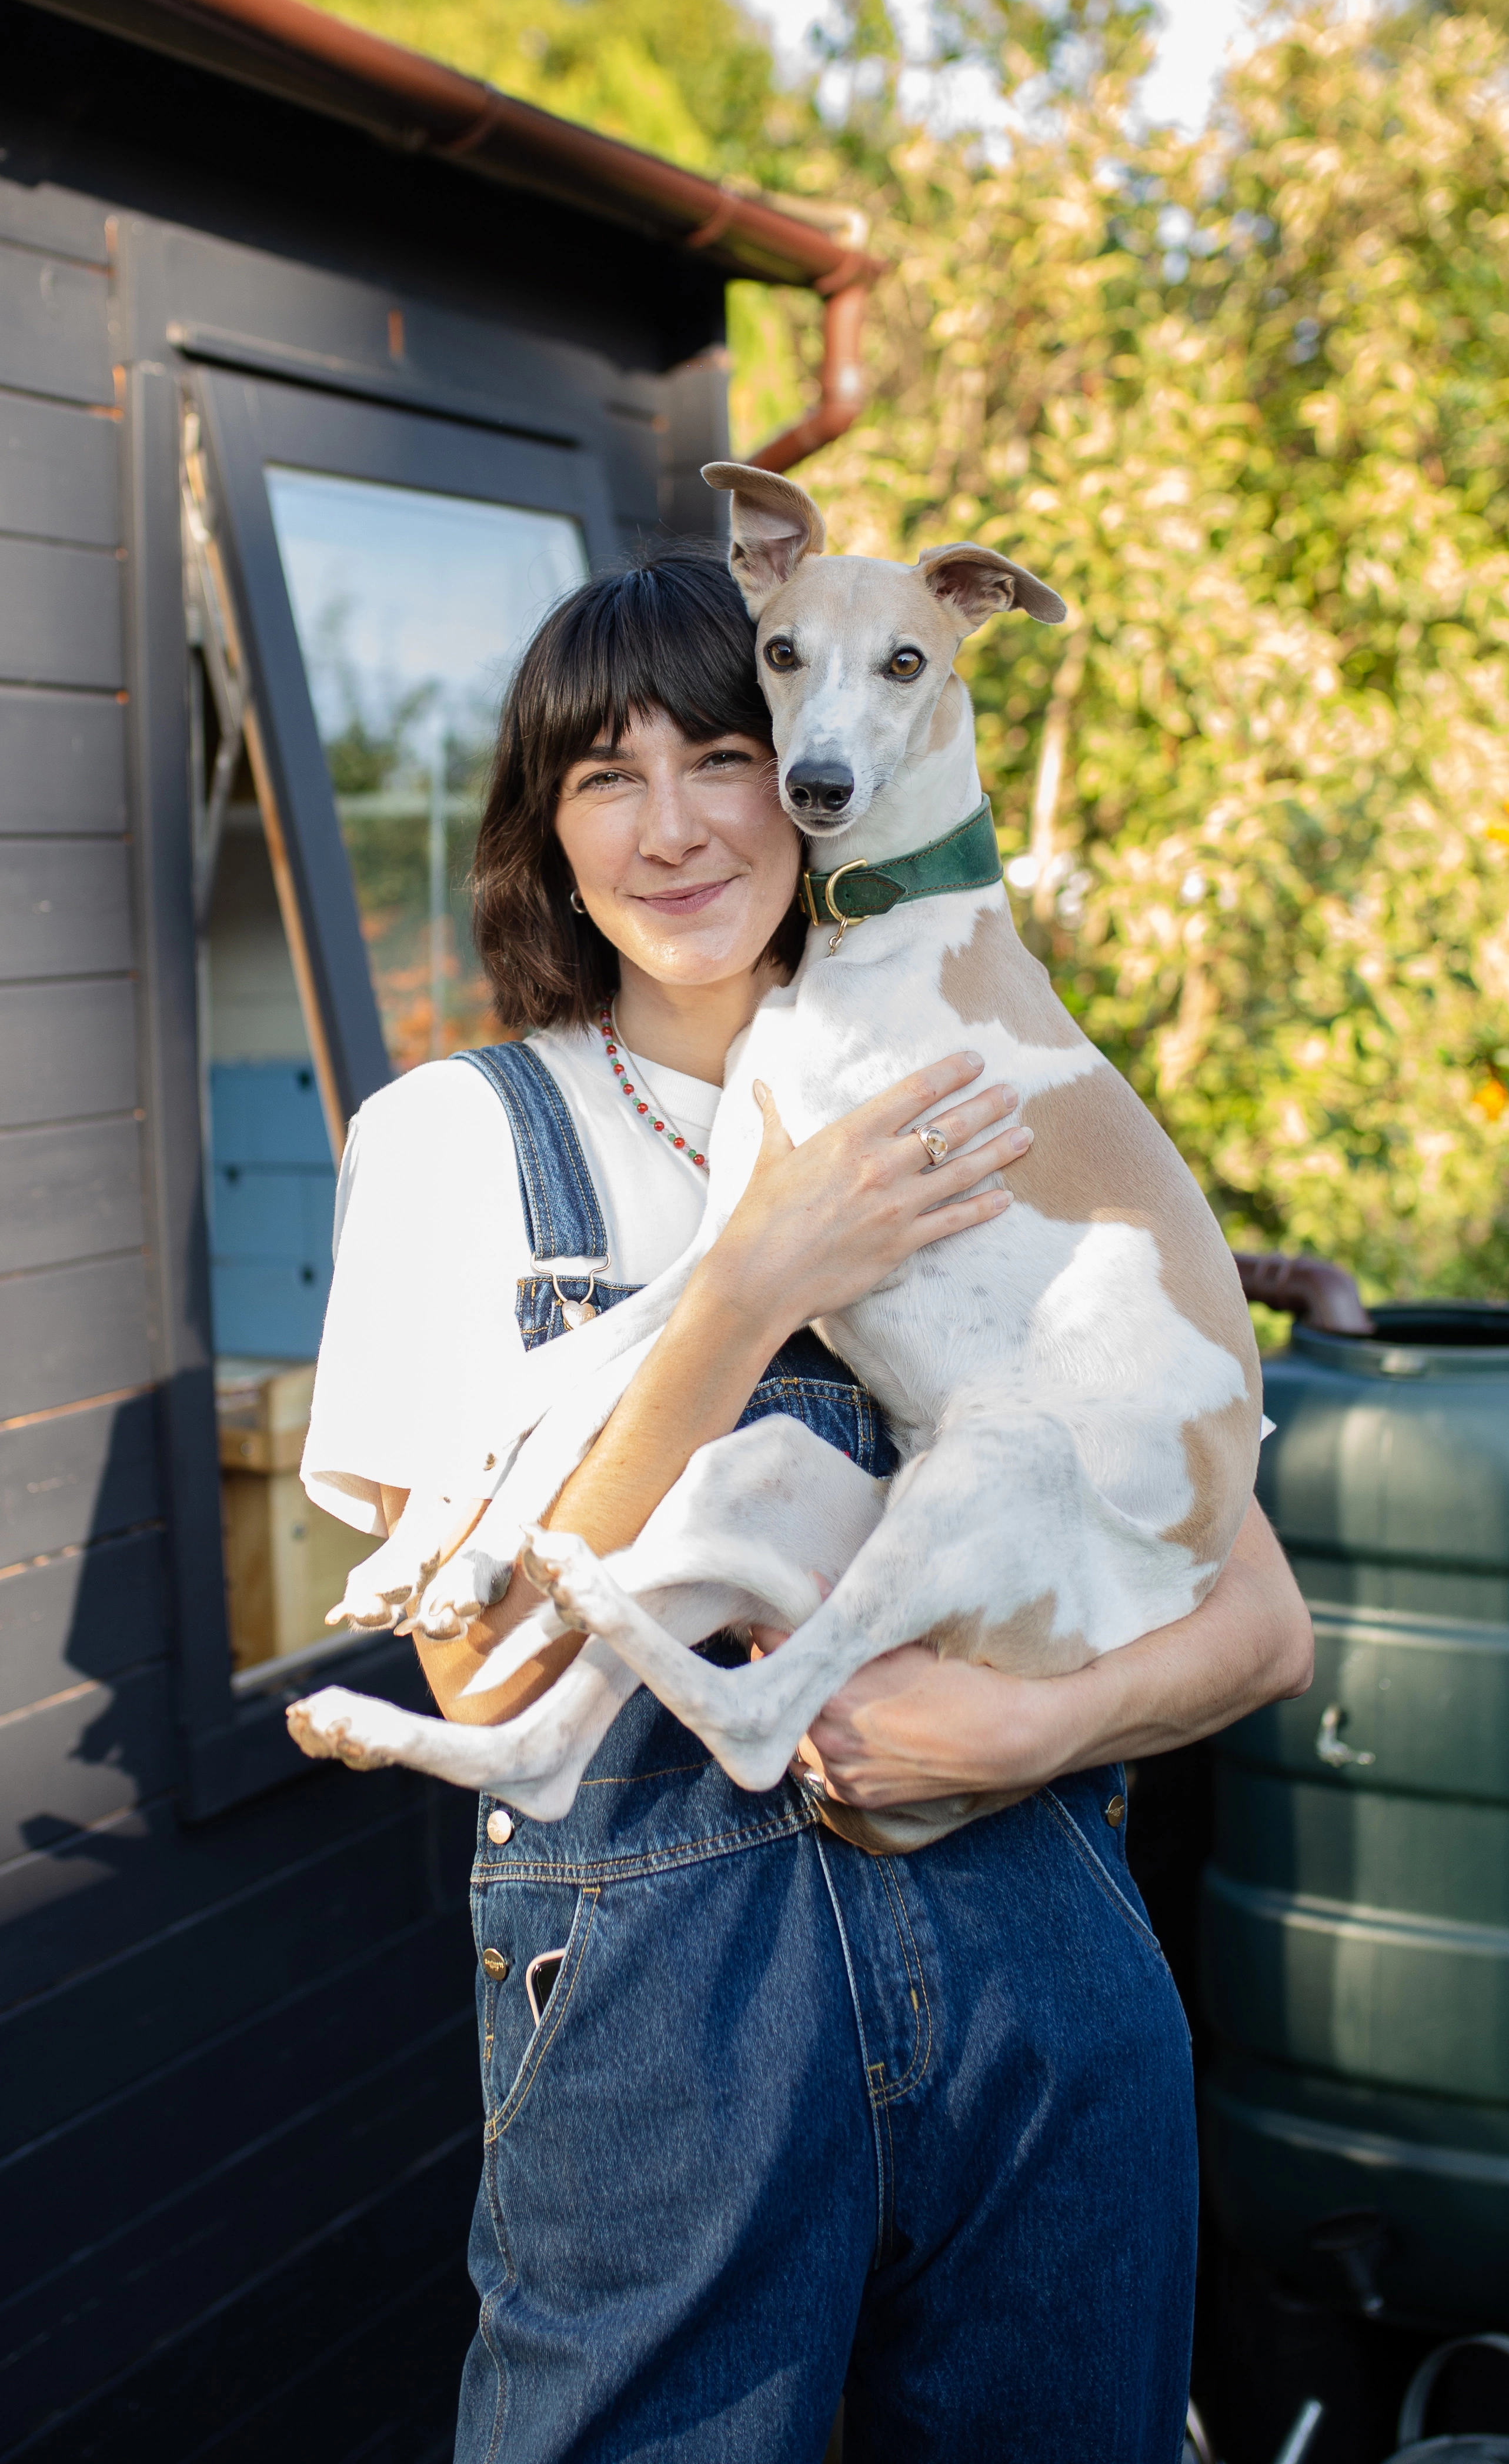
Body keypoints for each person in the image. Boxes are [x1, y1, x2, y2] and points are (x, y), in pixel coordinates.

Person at [301, 547, 1314, 2464]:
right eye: (607, 777)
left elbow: (1260, 1621)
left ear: (829, 759)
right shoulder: (457, 1144)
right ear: (548, 826)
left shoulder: (970, 1088)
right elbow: (477, 1670)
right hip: (675, 2014)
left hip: (1037, 1948)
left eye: (723, 756)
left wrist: (1029, 1724)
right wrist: (756, 1277)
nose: (676, 827)